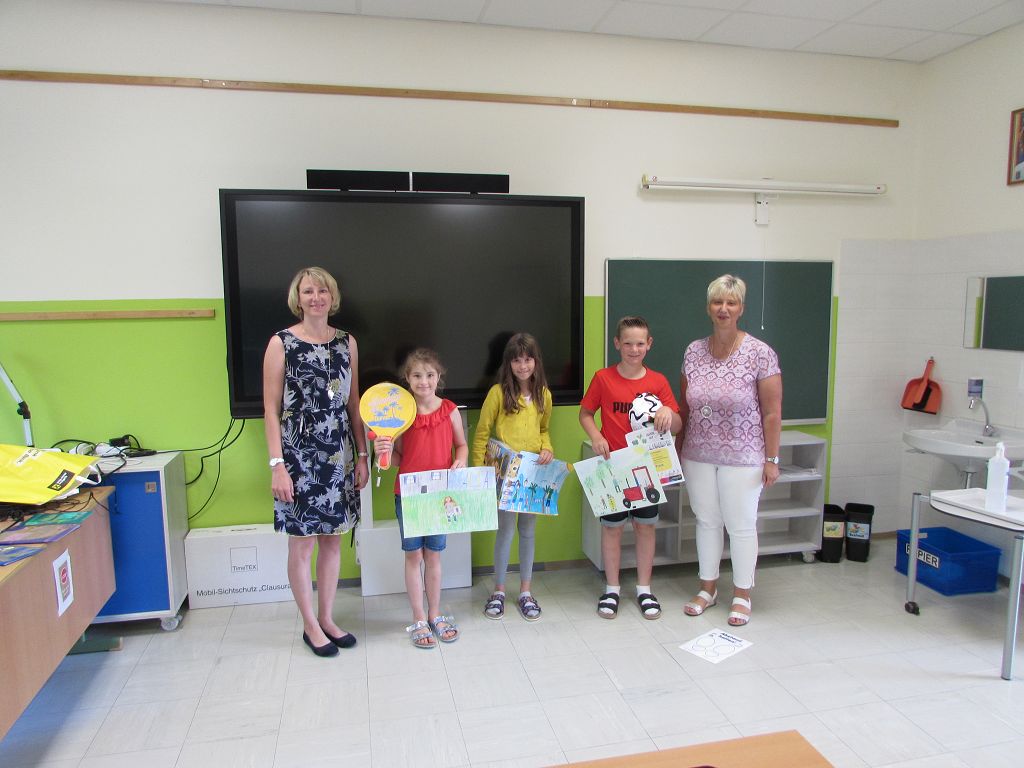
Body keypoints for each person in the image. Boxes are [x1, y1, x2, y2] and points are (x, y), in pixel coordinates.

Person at [263, 266, 369, 658]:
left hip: (339, 455)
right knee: (303, 544)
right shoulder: (281, 343)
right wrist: (277, 465)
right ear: (298, 298)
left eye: (322, 291)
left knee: (332, 540)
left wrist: (362, 455)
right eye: (308, 291)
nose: (316, 298)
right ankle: (310, 625)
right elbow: (271, 410)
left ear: (332, 297)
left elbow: (353, 403)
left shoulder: (346, 343)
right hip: (297, 457)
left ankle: (326, 618)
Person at [678, 274, 782, 627]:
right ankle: (707, 589)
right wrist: (678, 449)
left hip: (744, 456)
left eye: (731, 302)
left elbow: (772, 413)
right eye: (717, 302)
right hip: (698, 454)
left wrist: (772, 459)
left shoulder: (759, 353)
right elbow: (685, 406)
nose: (723, 308)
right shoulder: (693, 351)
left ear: (741, 308)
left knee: (740, 525)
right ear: (708, 307)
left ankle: (741, 594)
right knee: (706, 521)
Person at [579, 316, 681, 620]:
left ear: (649, 344)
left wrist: (668, 413)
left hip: (647, 469)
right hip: (613, 467)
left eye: (639, 344)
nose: (633, 349)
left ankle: (644, 589)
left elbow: (677, 424)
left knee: (645, 527)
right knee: (611, 530)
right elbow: (585, 413)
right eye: (627, 343)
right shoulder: (603, 378)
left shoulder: (658, 382)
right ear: (617, 344)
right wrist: (596, 437)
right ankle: (612, 589)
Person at [373, 349, 468, 649]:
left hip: (440, 496)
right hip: (409, 496)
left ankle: (435, 614)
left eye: (429, 375)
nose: (423, 381)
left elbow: (462, 445)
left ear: (439, 377)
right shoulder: (401, 415)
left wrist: (461, 460)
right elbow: (397, 458)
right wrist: (382, 451)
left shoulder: (450, 410)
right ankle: (418, 618)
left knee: (433, 555)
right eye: (416, 375)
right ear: (407, 379)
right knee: (414, 556)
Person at [471, 332, 554, 622]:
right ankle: (499, 591)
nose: (523, 366)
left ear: (536, 361)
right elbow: (481, 434)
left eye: (528, 359)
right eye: (517, 360)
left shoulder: (544, 394)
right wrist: (479, 473)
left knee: (528, 531)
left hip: (532, 474)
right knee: (505, 531)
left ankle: (526, 592)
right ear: (508, 363)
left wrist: (547, 448)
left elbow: (544, 430)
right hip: (505, 474)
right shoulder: (497, 393)